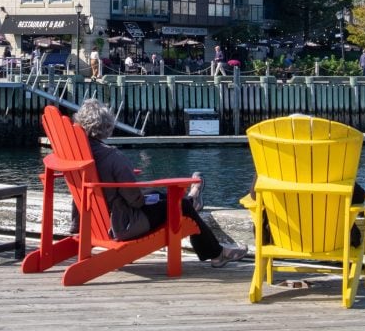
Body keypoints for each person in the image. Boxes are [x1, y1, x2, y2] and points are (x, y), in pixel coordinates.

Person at [72, 99, 247, 268]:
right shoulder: (113, 157)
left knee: (159, 195)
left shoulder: (77, 155)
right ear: (107, 127)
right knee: (182, 205)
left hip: (95, 221)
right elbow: (136, 201)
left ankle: (194, 199)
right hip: (123, 224)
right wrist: (140, 194)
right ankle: (217, 253)